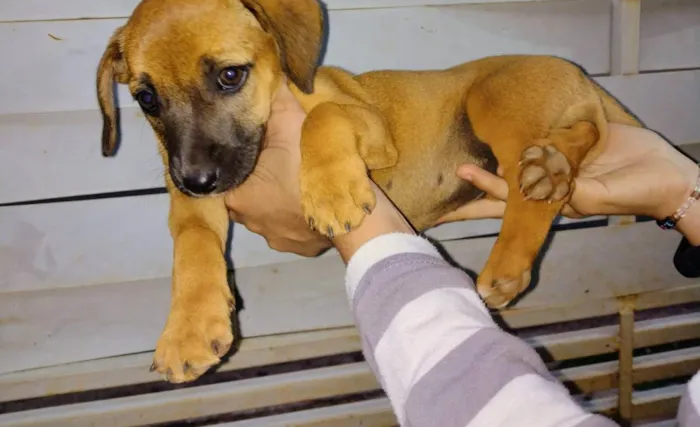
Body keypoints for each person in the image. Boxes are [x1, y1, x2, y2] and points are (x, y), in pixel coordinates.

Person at [225, 81, 700, 427]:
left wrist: (364, 235)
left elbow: (496, 411)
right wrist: (685, 193)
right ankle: (569, 144)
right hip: (490, 118)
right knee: (528, 149)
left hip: (495, 95)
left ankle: (549, 181)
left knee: (517, 132)